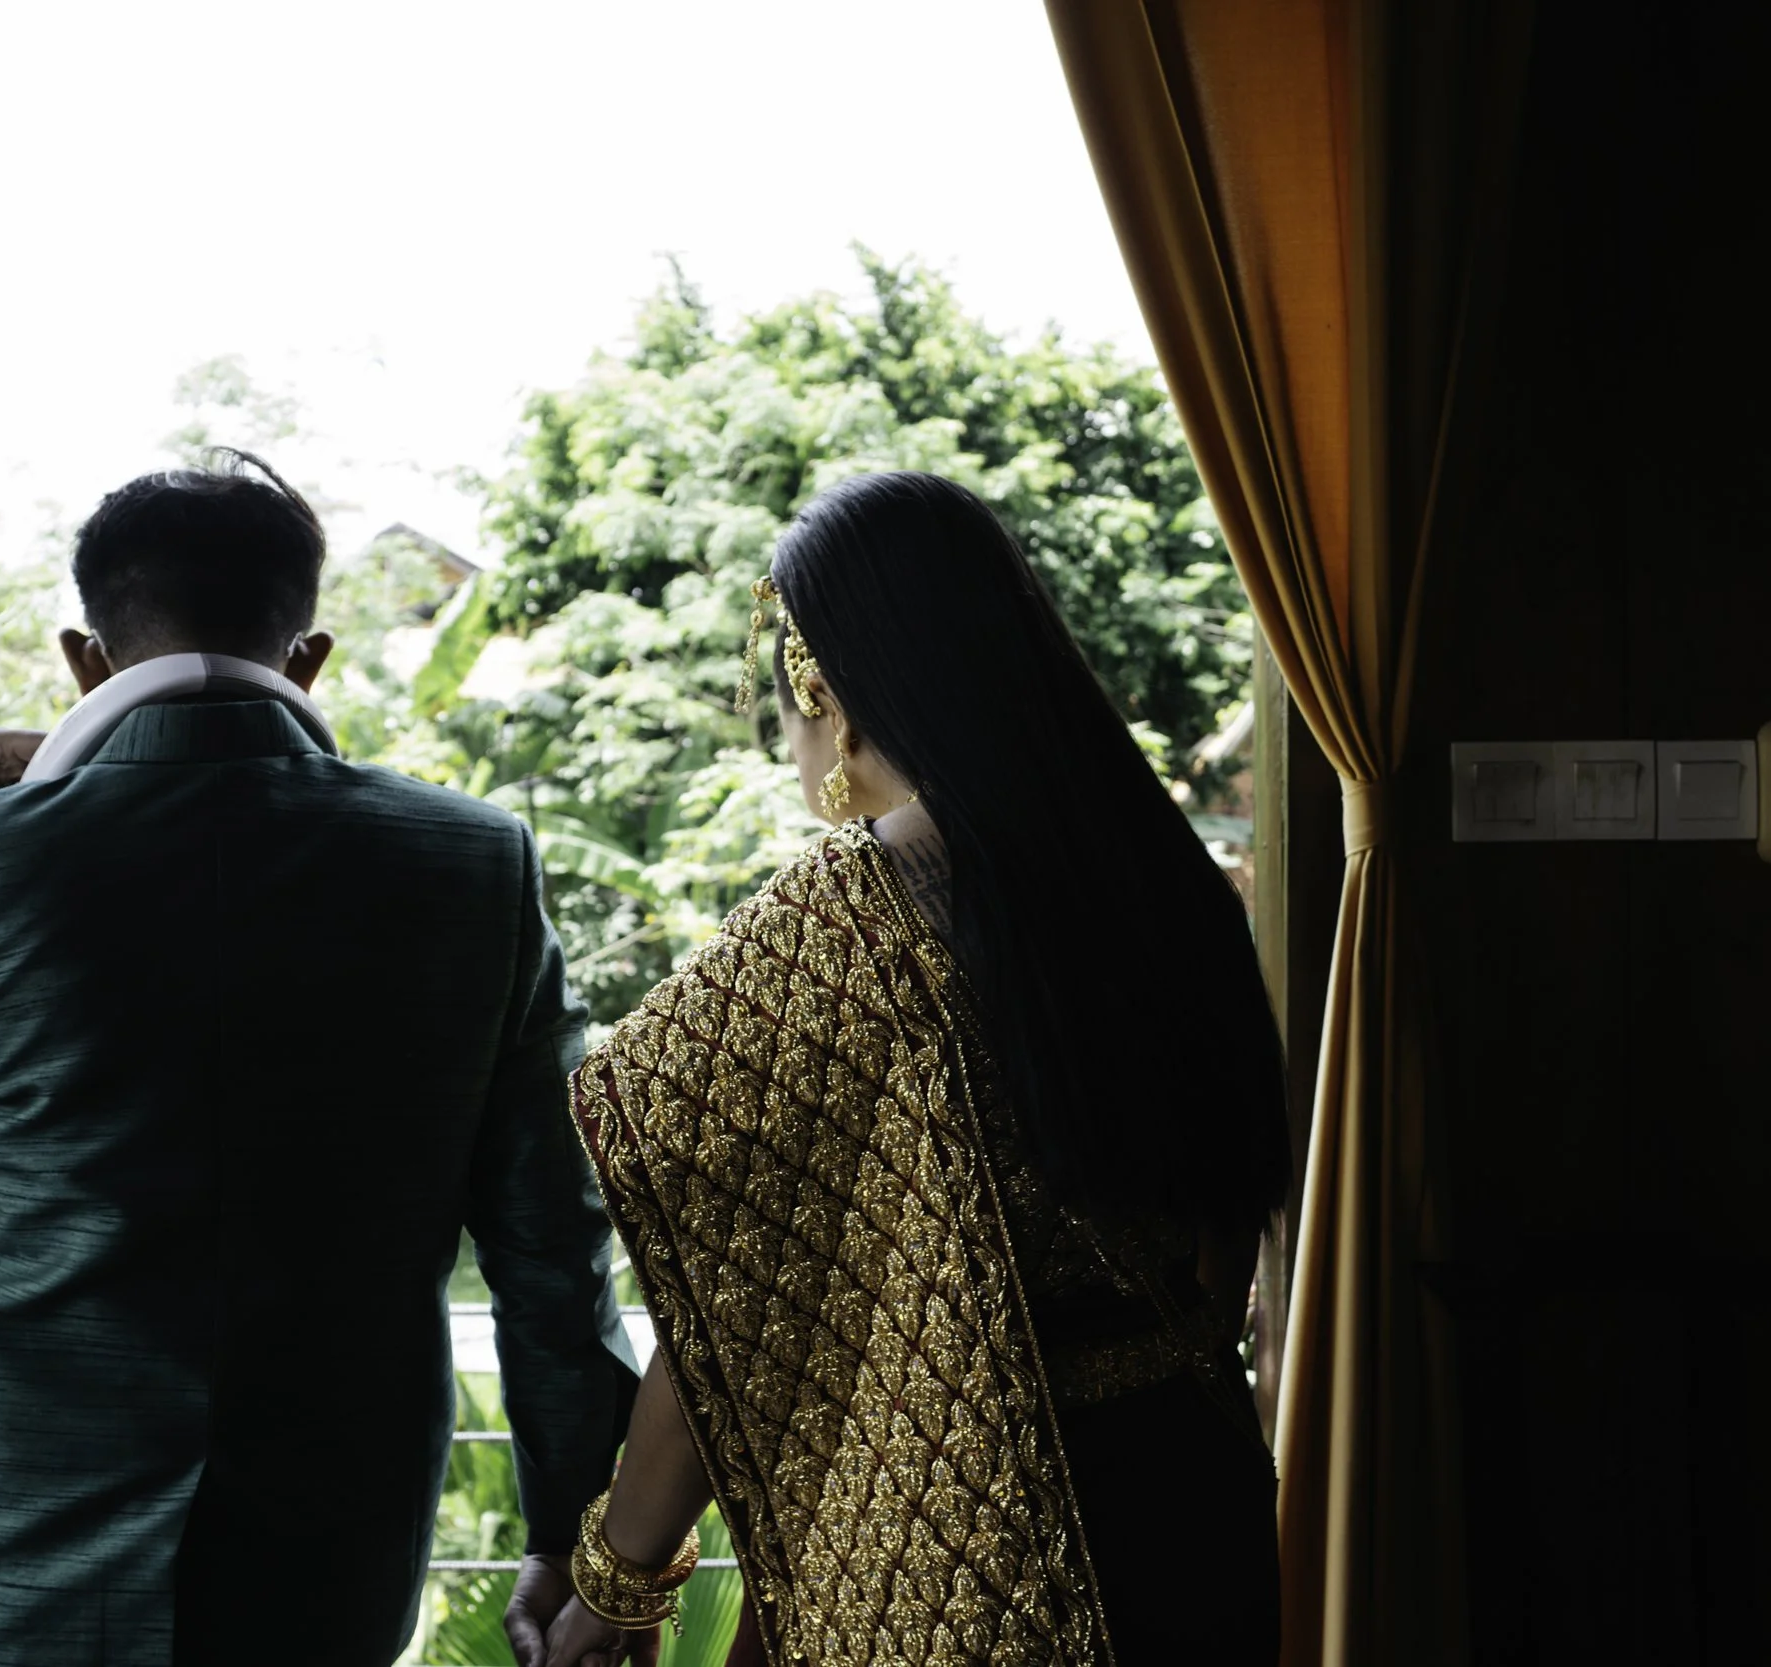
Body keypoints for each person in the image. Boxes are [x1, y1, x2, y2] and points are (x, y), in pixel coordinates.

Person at [0, 452, 639, 1667]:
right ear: (308, 655)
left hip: (7, 1575)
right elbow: (552, 1247)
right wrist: (570, 1535)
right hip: (321, 1576)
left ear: (86, 656)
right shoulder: (472, 864)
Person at [531, 472, 1289, 1667]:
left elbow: (713, 1315)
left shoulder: (827, 936)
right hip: (1196, 1509)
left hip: (960, 1544)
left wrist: (617, 1583)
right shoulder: (1167, 881)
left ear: (824, 683)